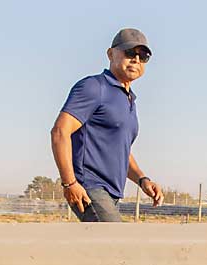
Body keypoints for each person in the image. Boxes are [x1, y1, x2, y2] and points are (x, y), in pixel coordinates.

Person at [51, 28, 163, 222]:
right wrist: (70, 184)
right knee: (119, 246)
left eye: (143, 55)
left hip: (112, 192)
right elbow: (60, 132)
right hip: (90, 188)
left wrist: (142, 180)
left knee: (102, 249)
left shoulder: (129, 99)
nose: (136, 59)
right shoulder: (94, 87)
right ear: (111, 54)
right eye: (129, 52)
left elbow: (120, 150)